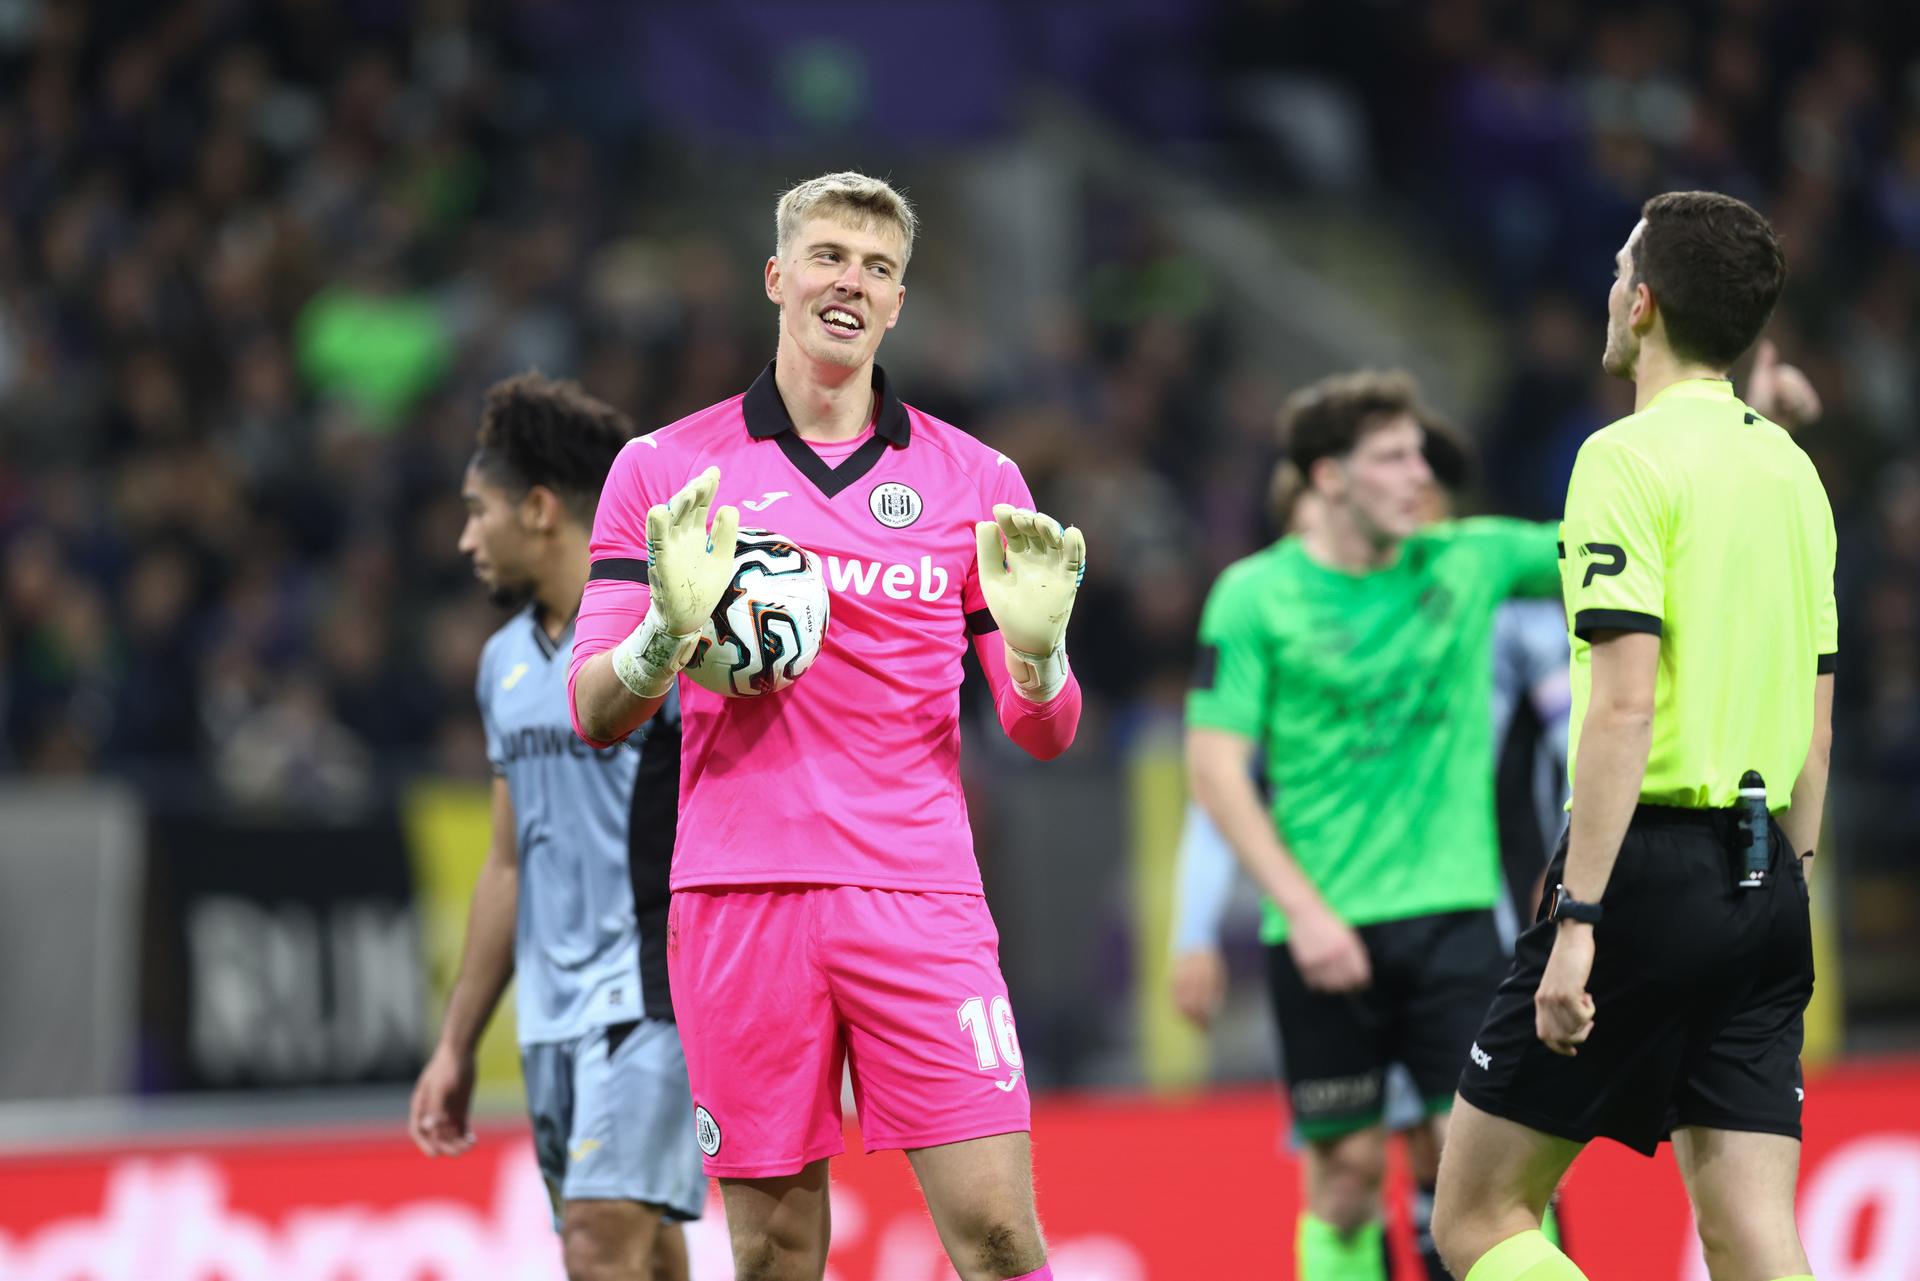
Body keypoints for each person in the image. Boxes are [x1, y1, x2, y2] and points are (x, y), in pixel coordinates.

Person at [567, 172, 1085, 1281]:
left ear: (899, 303)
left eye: (879, 268)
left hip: (920, 898)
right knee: (774, 1251)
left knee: (999, 1238)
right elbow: (593, 711)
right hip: (739, 902)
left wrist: (1039, 658)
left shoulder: (976, 479)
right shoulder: (664, 471)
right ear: (779, 277)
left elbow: (1042, 735)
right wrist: (665, 631)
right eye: (831, 256)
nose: (852, 281)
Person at [1432, 192, 1835, 1281]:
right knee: (1749, 1228)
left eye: (1620, 271)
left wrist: (1580, 918)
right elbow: (1816, 702)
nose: (1610, 289)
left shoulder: (1620, 459)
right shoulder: (1793, 473)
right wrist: (1788, 879)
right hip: (1767, 884)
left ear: (1644, 305)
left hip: (1642, 872)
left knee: (1476, 1214)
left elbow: (1622, 703)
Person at [1187, 370, 1563, 1281]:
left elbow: (1609, 539)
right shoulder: (1253, 596)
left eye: (1421, 457)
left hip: (1455, 919)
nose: (1418, 475)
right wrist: (1301, 913)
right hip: (1319, 929)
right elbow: (1213, 769)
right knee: (1348, 1179)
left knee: (1483, 1171)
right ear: (1327, 477)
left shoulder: (1467, 561)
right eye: (1392, 457)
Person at [409, 374, 706, 1281]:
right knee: (644, 1249)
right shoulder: (502, 663)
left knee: (595, 1242)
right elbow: (507, 865)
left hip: (649, 990)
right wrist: (457, 1042)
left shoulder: (662, 644)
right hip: (550, 1011)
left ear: (539, 509)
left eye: (478, 511)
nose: (466, 537)